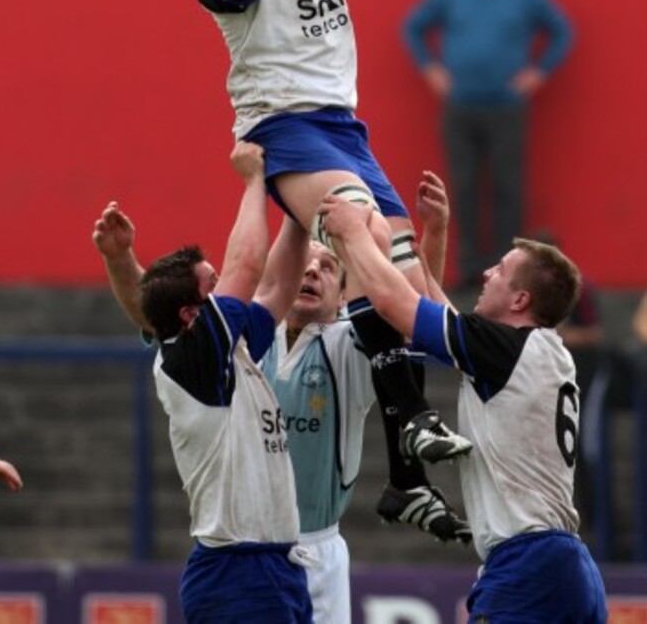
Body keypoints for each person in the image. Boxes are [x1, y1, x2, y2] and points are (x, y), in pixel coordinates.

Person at [186, 0, 471, 468]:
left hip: (345, 130)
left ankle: (409, 458)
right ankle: (419, 414)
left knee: (397, 264)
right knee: (356, 228)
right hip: (283, 127)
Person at [93, 175, 471, 624]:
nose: (311, 271)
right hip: (245, 552)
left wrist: (434, 235)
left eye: (329, 266)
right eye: (305, 263)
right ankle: (409, 481)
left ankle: (408, 480)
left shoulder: (352, 343)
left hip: (316, 548)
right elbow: (162, 318)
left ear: (350, 291)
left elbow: (409, 310)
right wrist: (120, 261)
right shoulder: (244, 337)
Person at [317, 188, 607, 623]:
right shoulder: (532, 350)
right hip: (564, 565)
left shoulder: (505, 348)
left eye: (501, 270)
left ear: (520, 300)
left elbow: (396, 304)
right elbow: (431, 308)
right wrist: (436, 232)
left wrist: (353, 233)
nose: (487, 273)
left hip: (528, 565)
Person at [94, 141, 313, 624]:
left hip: (277, 566)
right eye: (212, 287)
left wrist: (301, 208)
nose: (227, 294)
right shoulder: (194, 356)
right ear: (193, 315)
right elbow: (248, 267)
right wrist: (256, 182)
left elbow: (277, 286)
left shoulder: (224, 350)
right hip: (238, 573)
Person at [402, 0, 574, 288]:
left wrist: (538, 72)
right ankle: (467, 269)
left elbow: (561, 31)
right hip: (460, 104)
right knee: (461, 187)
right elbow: (414, 27)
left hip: (506, 105)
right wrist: (431, 69)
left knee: (507, 186)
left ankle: (506, 268)